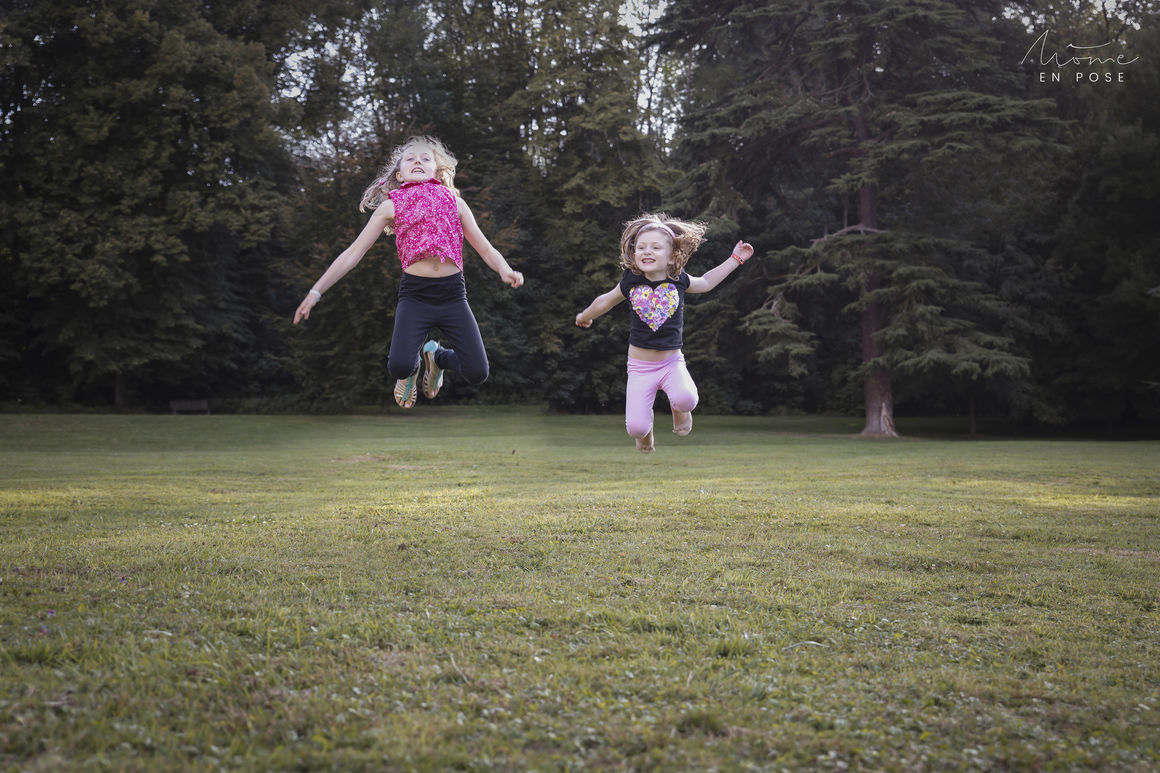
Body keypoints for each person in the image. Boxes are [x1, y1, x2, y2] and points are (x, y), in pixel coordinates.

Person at [293, 135, 524, 408]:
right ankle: (412, 370)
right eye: (410, 158)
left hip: (452, 296)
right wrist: (316, 291)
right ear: (400, 174)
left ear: (437, 170)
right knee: (400, 366)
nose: (417, 161)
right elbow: (353, 253)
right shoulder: (391, 206)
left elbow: (486, 249)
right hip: (416, 296)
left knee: (478, 372)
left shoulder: (455, 202)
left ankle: (437, 358)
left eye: (425, 158)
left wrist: (504, 269)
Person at [575, 214, 754, 453]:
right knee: (636, 428)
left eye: (655, 247)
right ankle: (645, 437)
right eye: (641, 247)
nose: (647, 251)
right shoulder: (631, 281)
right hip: (640, 367)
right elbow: (604, 301)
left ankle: (679, 412)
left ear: (672, 256)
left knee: (687, 399)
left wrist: (735, 259)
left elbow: (707, 282)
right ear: (633, 253)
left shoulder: (678, 280)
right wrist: (585, 316)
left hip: (671, 363)